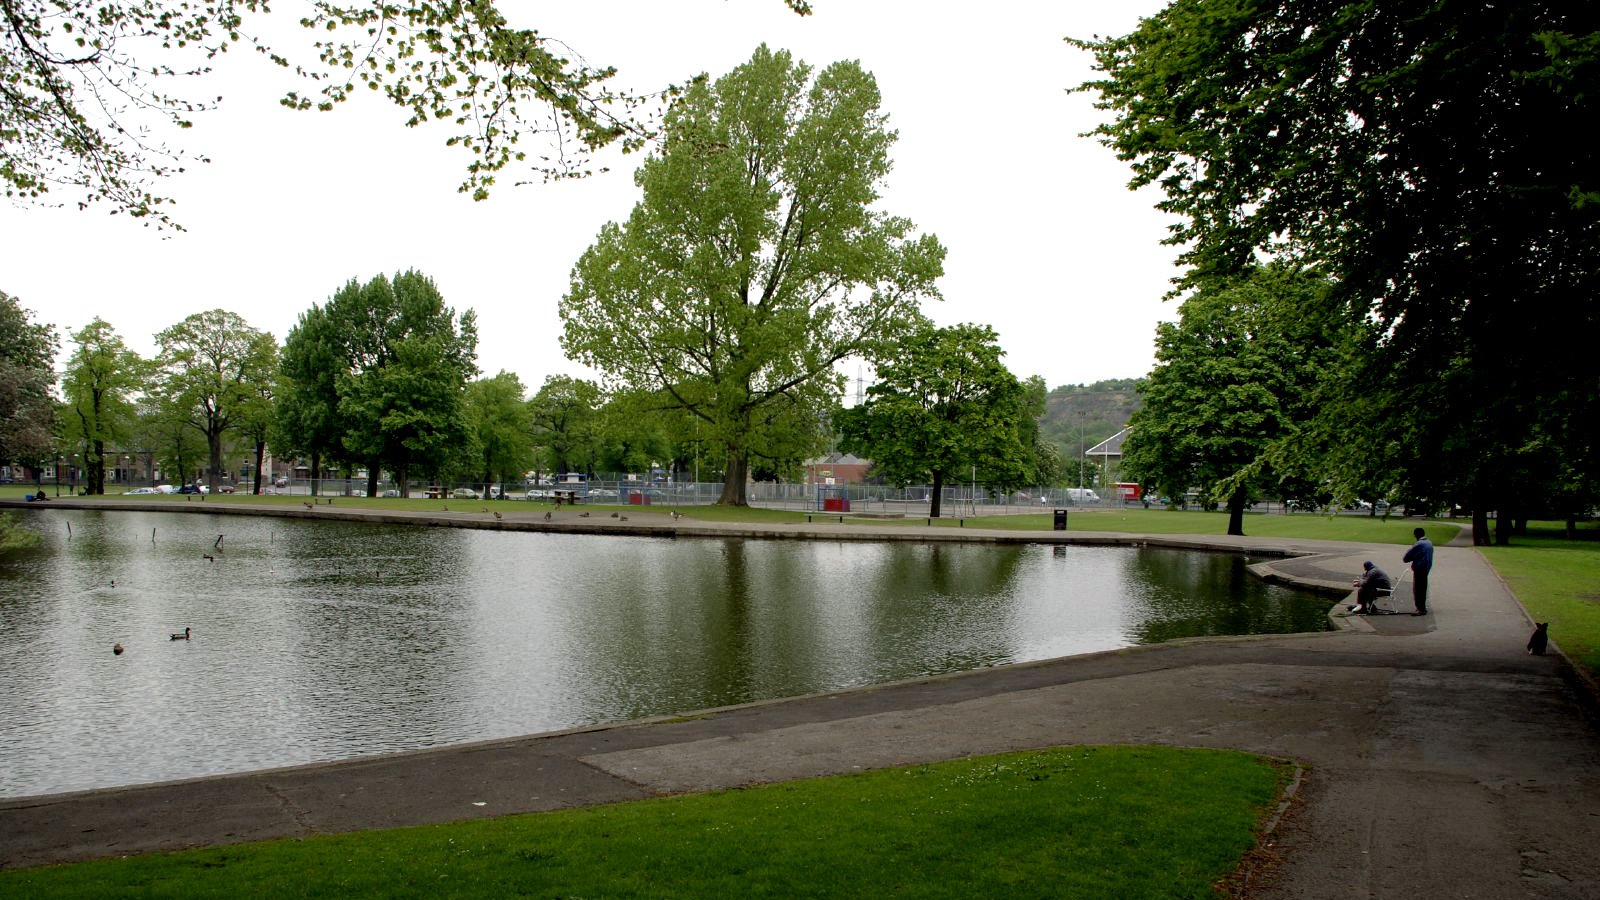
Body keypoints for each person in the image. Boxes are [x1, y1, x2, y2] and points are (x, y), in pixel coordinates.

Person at [1402, 527, 1434, 616]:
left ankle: (1420, 609)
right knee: (1423, 588)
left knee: (1418, 589)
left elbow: (1406, 558)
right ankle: (1422, 607)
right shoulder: (1429, 543)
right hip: (1426, 568)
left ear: (1416, 534)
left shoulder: (1419, 544)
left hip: (1420, 568)